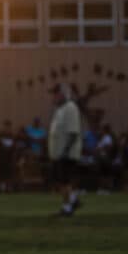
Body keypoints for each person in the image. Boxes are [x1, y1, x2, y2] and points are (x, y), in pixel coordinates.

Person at [48, 83, 82, 216]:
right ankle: (73, 200)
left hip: (66, 153)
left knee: (64, 181)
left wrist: (65, 151)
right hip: (58, 153)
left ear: (63, 94)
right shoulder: (59, 109)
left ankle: (67, 207)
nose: (53, 96)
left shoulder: (70, 108)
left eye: (56, 93)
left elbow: (73, 133)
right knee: (60, 181)